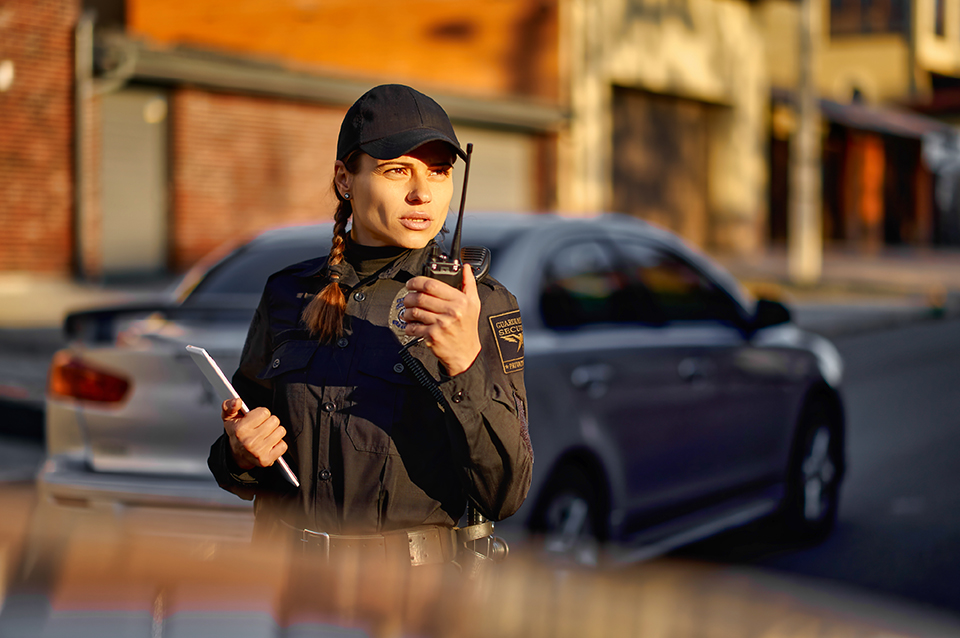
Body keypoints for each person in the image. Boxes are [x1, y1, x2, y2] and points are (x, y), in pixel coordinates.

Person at [207, 84, 533, 570]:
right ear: (344, 178)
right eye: (397, 169)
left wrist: (464, 362)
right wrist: (241, 454)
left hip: (409, 598)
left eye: (439, 172)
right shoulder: (286, 293)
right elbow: (244, 448)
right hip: (284, 585)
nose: (422, 192)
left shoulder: (477, 305)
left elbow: (506, 492)